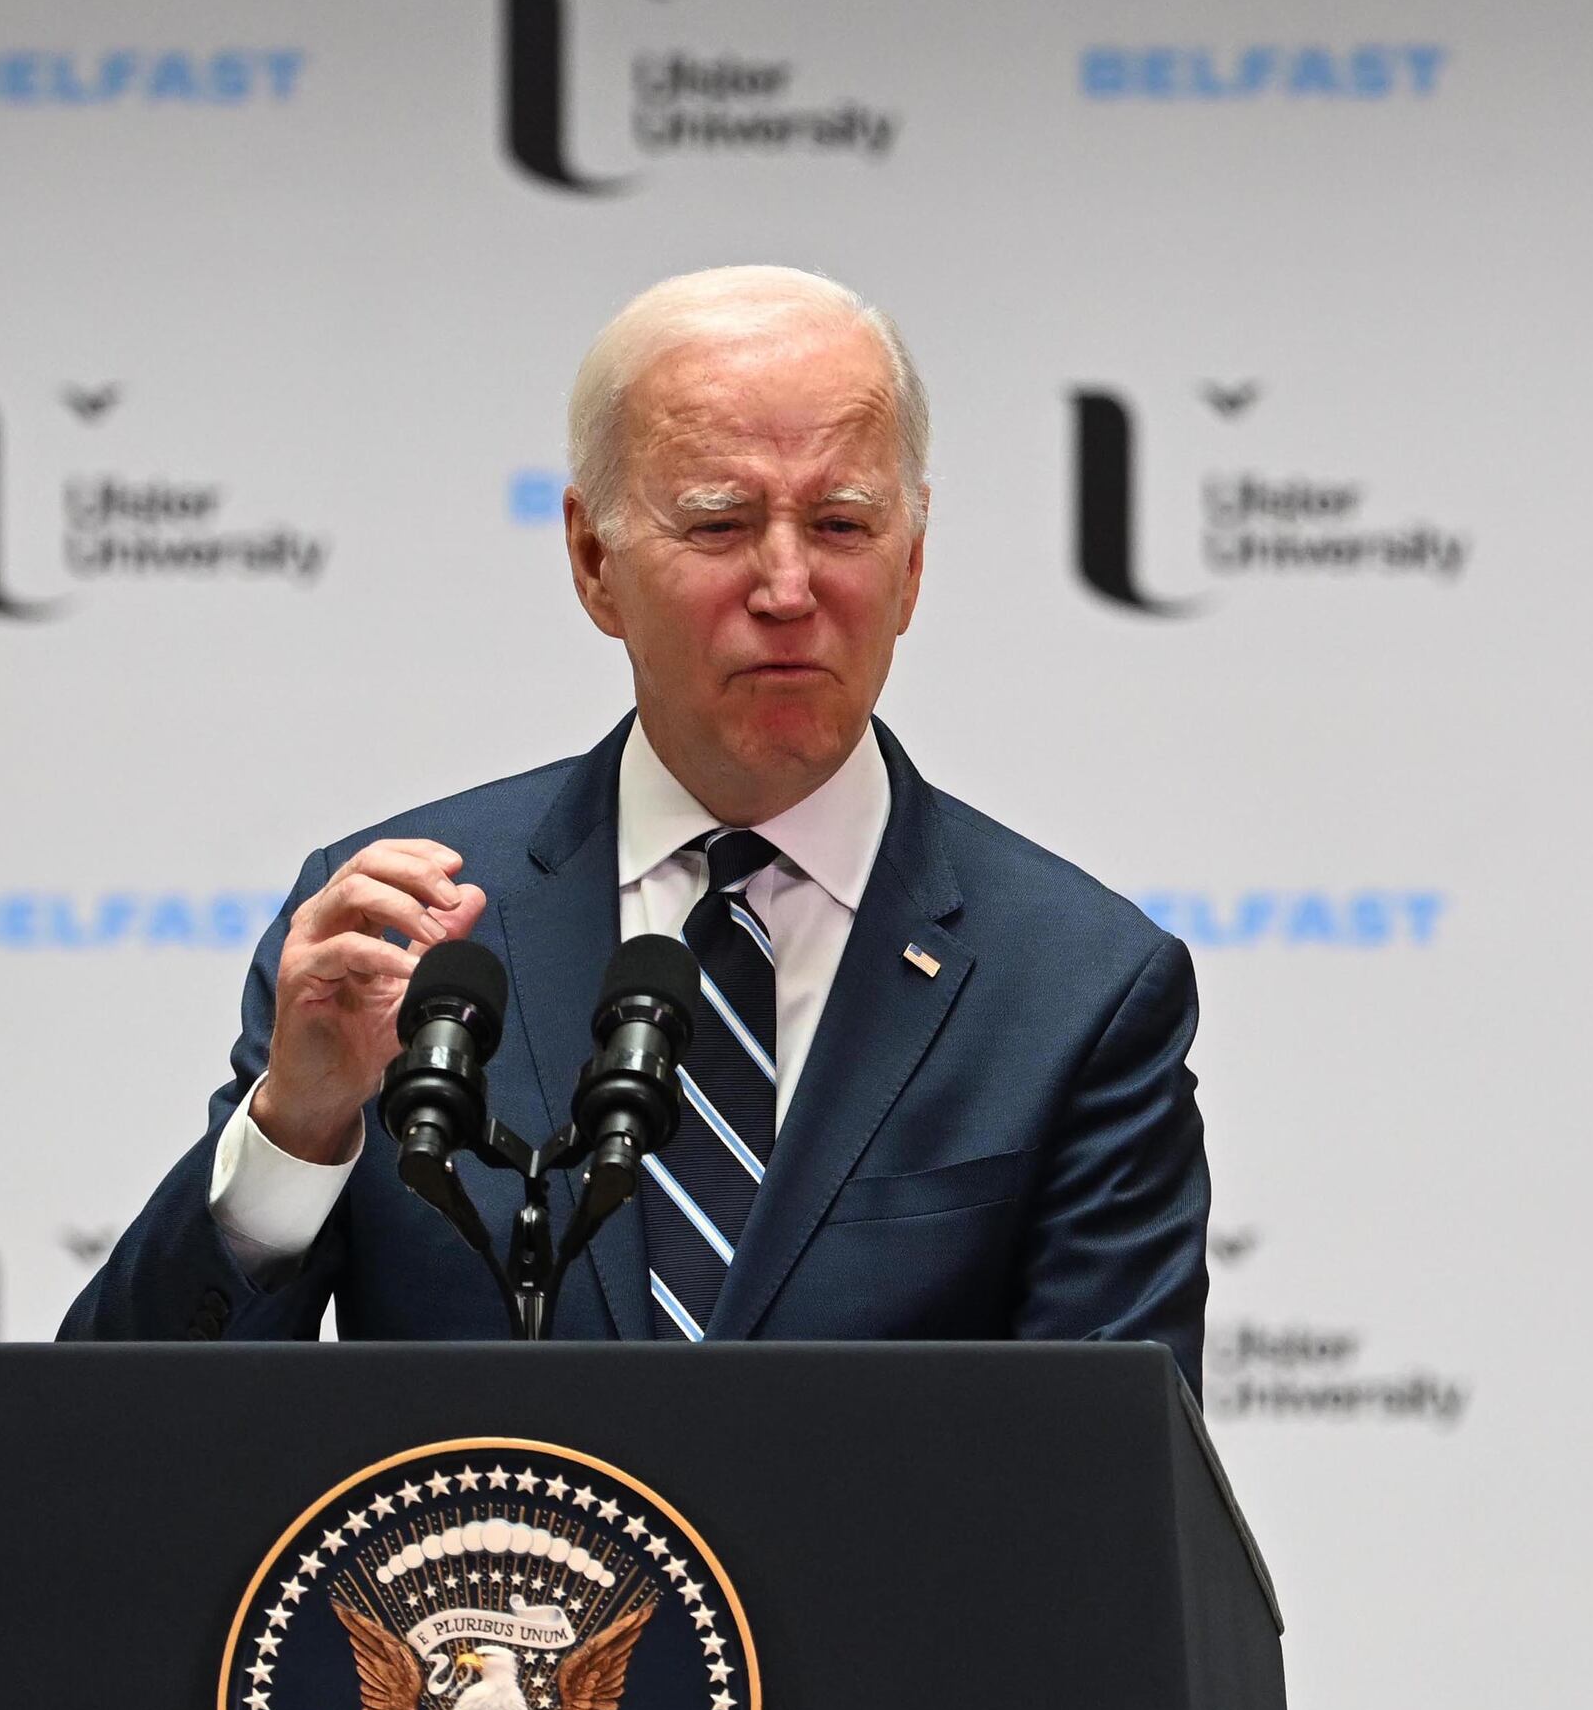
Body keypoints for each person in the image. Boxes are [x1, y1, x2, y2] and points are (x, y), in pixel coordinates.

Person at [64, 265, 1208, 1374]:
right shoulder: (406, 938)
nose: (787, 586)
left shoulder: (1075, 987)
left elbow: (1113, 1506)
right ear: (590, 559)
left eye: (843, 526)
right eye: (718, 525)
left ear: (913, 563)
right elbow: (128, 1439)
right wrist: (298, 1128)